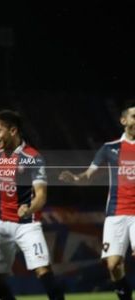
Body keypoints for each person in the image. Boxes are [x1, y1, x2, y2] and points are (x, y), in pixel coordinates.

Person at [0, 110, 64, 300]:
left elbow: (41, 195)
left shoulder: (33, 158)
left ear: (13, 130)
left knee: (43, 271)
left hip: (27, 225)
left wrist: (29, 209)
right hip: (1, 224)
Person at [59, 101, 135, 300]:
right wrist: (76, 178)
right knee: (113, 265)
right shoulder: (109, 149)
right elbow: (89, 174)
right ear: (123, 120)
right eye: (134, 116)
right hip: (115, 214)